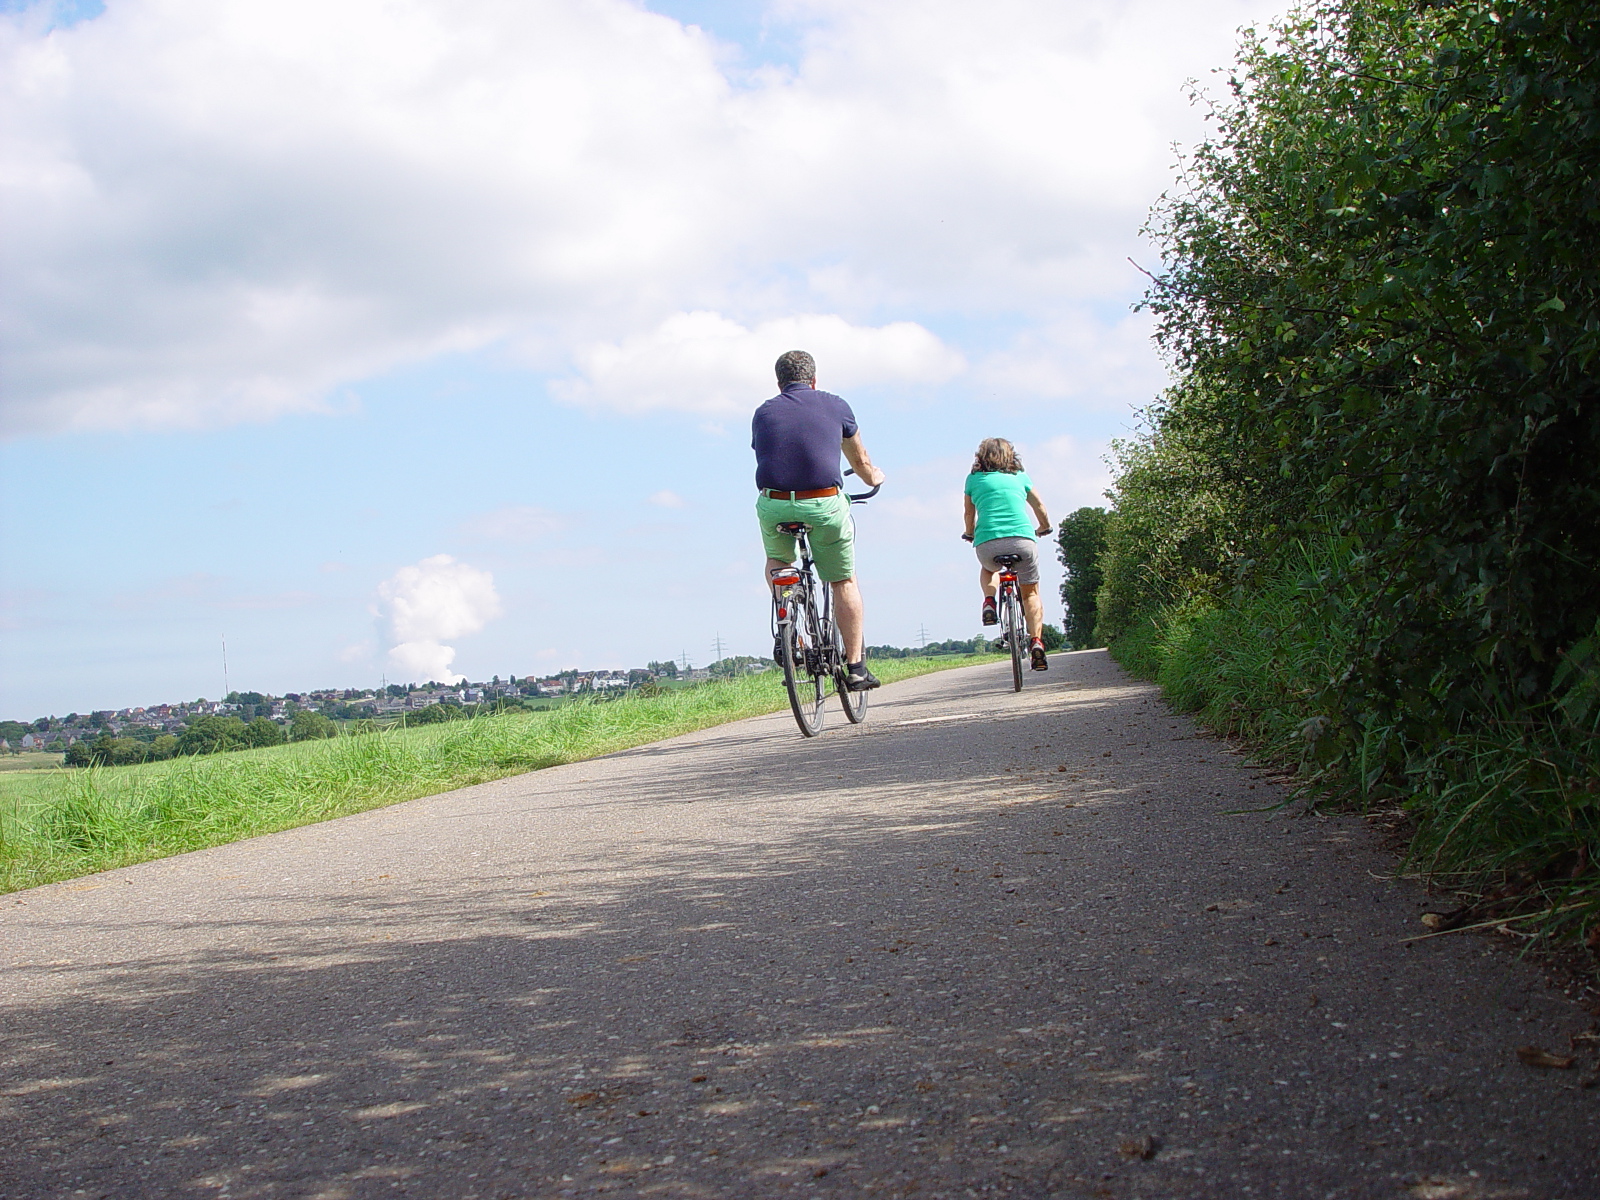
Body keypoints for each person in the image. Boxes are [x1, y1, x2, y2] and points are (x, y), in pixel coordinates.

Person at [752, 350, 886, 691]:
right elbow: (860, 461)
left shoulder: (763, 412)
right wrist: (874, 478)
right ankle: (856, 668)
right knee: (843, 580)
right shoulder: (836, 405)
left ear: (779, 383)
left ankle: (787, 621)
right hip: (823, 503)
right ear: (813, 380)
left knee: (778, 560)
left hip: (775, 504)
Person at [963, 437, 1053, 671]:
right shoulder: (1020, 477)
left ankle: (989, 601)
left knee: (989, 568)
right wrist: (1044, 527)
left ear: (981, 457)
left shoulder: (973, 480)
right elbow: (1039, 506)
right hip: (1022, 541)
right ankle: (1036, 641)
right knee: (1030, 592)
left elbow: (969, 514)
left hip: (988, 542)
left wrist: (969, 533)